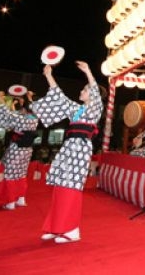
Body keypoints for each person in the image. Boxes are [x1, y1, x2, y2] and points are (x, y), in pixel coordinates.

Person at [31, 61, 104, 244]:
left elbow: (95, 91)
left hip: (80, 149)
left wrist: (88, 71)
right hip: (68, 148)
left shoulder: (95, 109)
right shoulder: (77, 109)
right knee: (60, 186)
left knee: (71, 187)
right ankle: (55, 227)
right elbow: (59, 98)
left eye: (85, 90)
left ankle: (71, 230)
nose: (82, 91)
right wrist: (49, 76)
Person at [0, 90, 39, 210]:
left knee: (10, 174)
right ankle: (21, 198)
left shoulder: (19, 118)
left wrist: (2, 99)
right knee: (21, 173)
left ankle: (10, 201)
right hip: (27, 150)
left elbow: (7, 114)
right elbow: (30, 108)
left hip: (16, 149)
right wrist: (29, 98)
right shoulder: (34, 118)